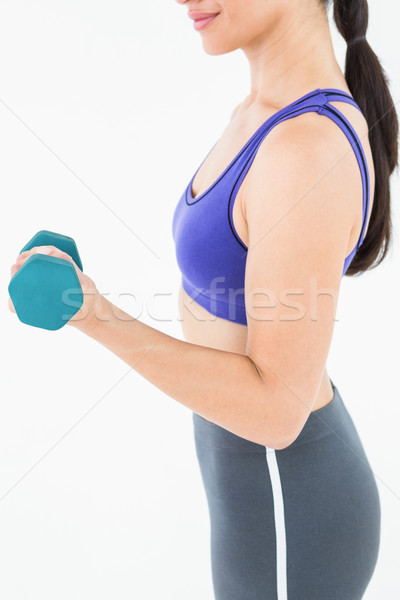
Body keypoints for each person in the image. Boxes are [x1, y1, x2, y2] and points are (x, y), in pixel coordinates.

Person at [8, 0, 399, 598]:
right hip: (257, 490)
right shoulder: (262, 115)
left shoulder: (305, 148)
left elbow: (275, 413)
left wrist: (91, 311)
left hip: (289, 500)